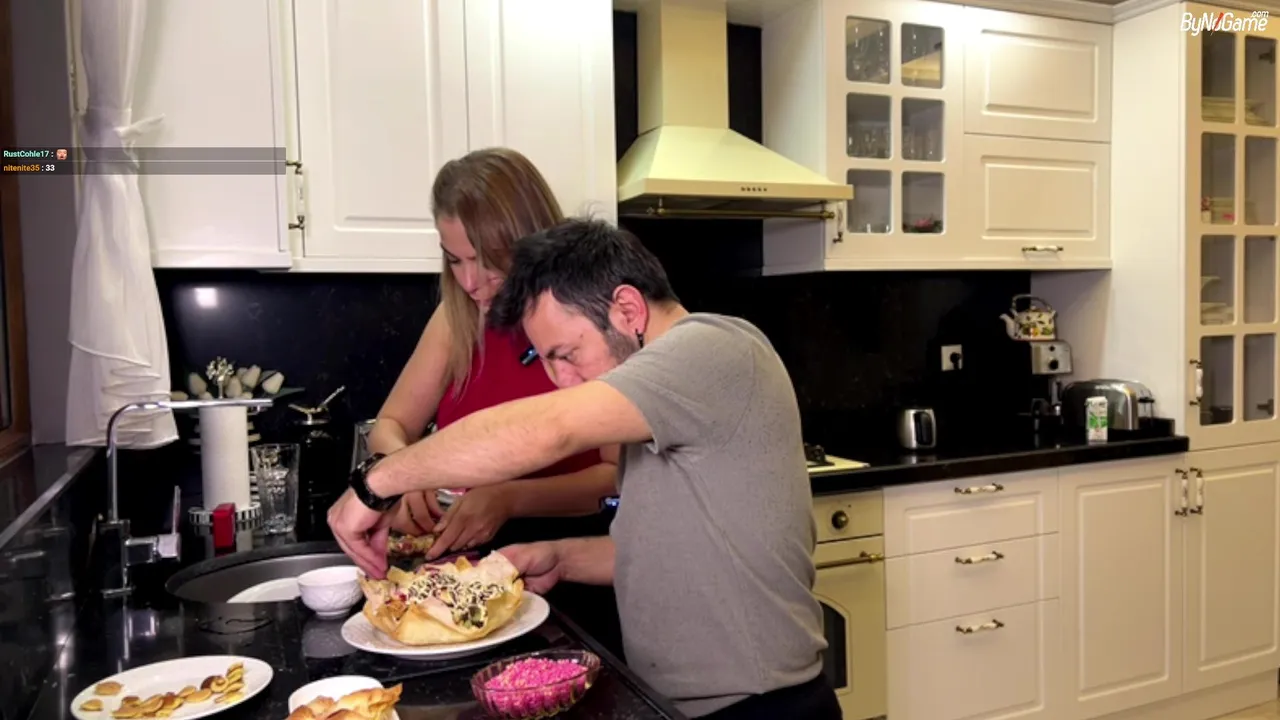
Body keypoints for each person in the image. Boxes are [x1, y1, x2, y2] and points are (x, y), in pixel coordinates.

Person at [330, 219, 840, 719]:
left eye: (568, 354)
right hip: (681, 703)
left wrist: (377, 482)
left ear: (627, 309)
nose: (561, 379)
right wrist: (561, 557)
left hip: (764, 708)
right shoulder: (657, 408)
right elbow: (668, 552)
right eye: (546, 359)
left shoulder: (715, 348)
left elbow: (547, 429)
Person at [365, 147, 616, 557]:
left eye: (486, 260)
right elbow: (390, 423)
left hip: (568, 555)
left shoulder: (585, 321)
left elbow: (615, 476)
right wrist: (402, 470)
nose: (469, 282)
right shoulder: (456, 318)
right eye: (454, 260)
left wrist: (508, 498)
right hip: (464, 559)